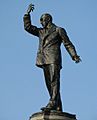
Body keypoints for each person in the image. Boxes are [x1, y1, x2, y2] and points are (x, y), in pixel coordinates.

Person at [23, 4, 81, 112]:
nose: (40, 22)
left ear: (48, 19)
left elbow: (67, 44)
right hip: (44, 59)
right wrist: (27, 15)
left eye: (42, 20)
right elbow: (28, 27)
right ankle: (57, 105)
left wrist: (74, 55)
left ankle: (52, 102)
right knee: (49, 83)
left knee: (54, 81)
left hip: (54, 58)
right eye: (40, 20)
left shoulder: (58, 30)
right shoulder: (41, 32)